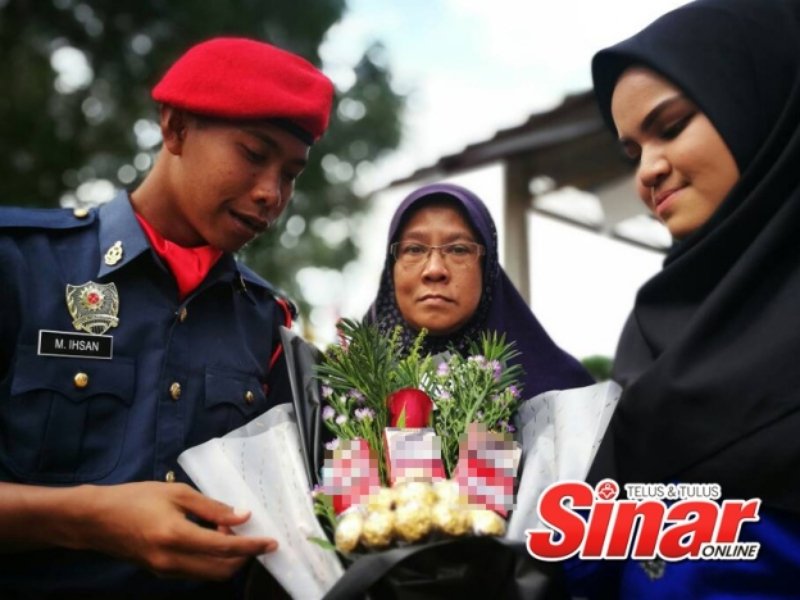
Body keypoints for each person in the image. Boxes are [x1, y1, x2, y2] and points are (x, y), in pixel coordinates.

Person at [0, 37, 333, 597]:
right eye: (254, 154)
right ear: (175, 129)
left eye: (291, 173)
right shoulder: (21, 266)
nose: (271, 194)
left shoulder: (265, 322)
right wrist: (87, 518)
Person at [575, 0, 800, 596]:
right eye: (632, 152)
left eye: (670, 127)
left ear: (761, 102)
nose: (647, 170)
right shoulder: (654, 325)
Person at [366, 182, 594, 398]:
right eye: (414, 249)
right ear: (391, 268)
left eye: (458, 249)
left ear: (487, 269)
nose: (434, 270)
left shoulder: (563, 391)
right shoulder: (346, 390)